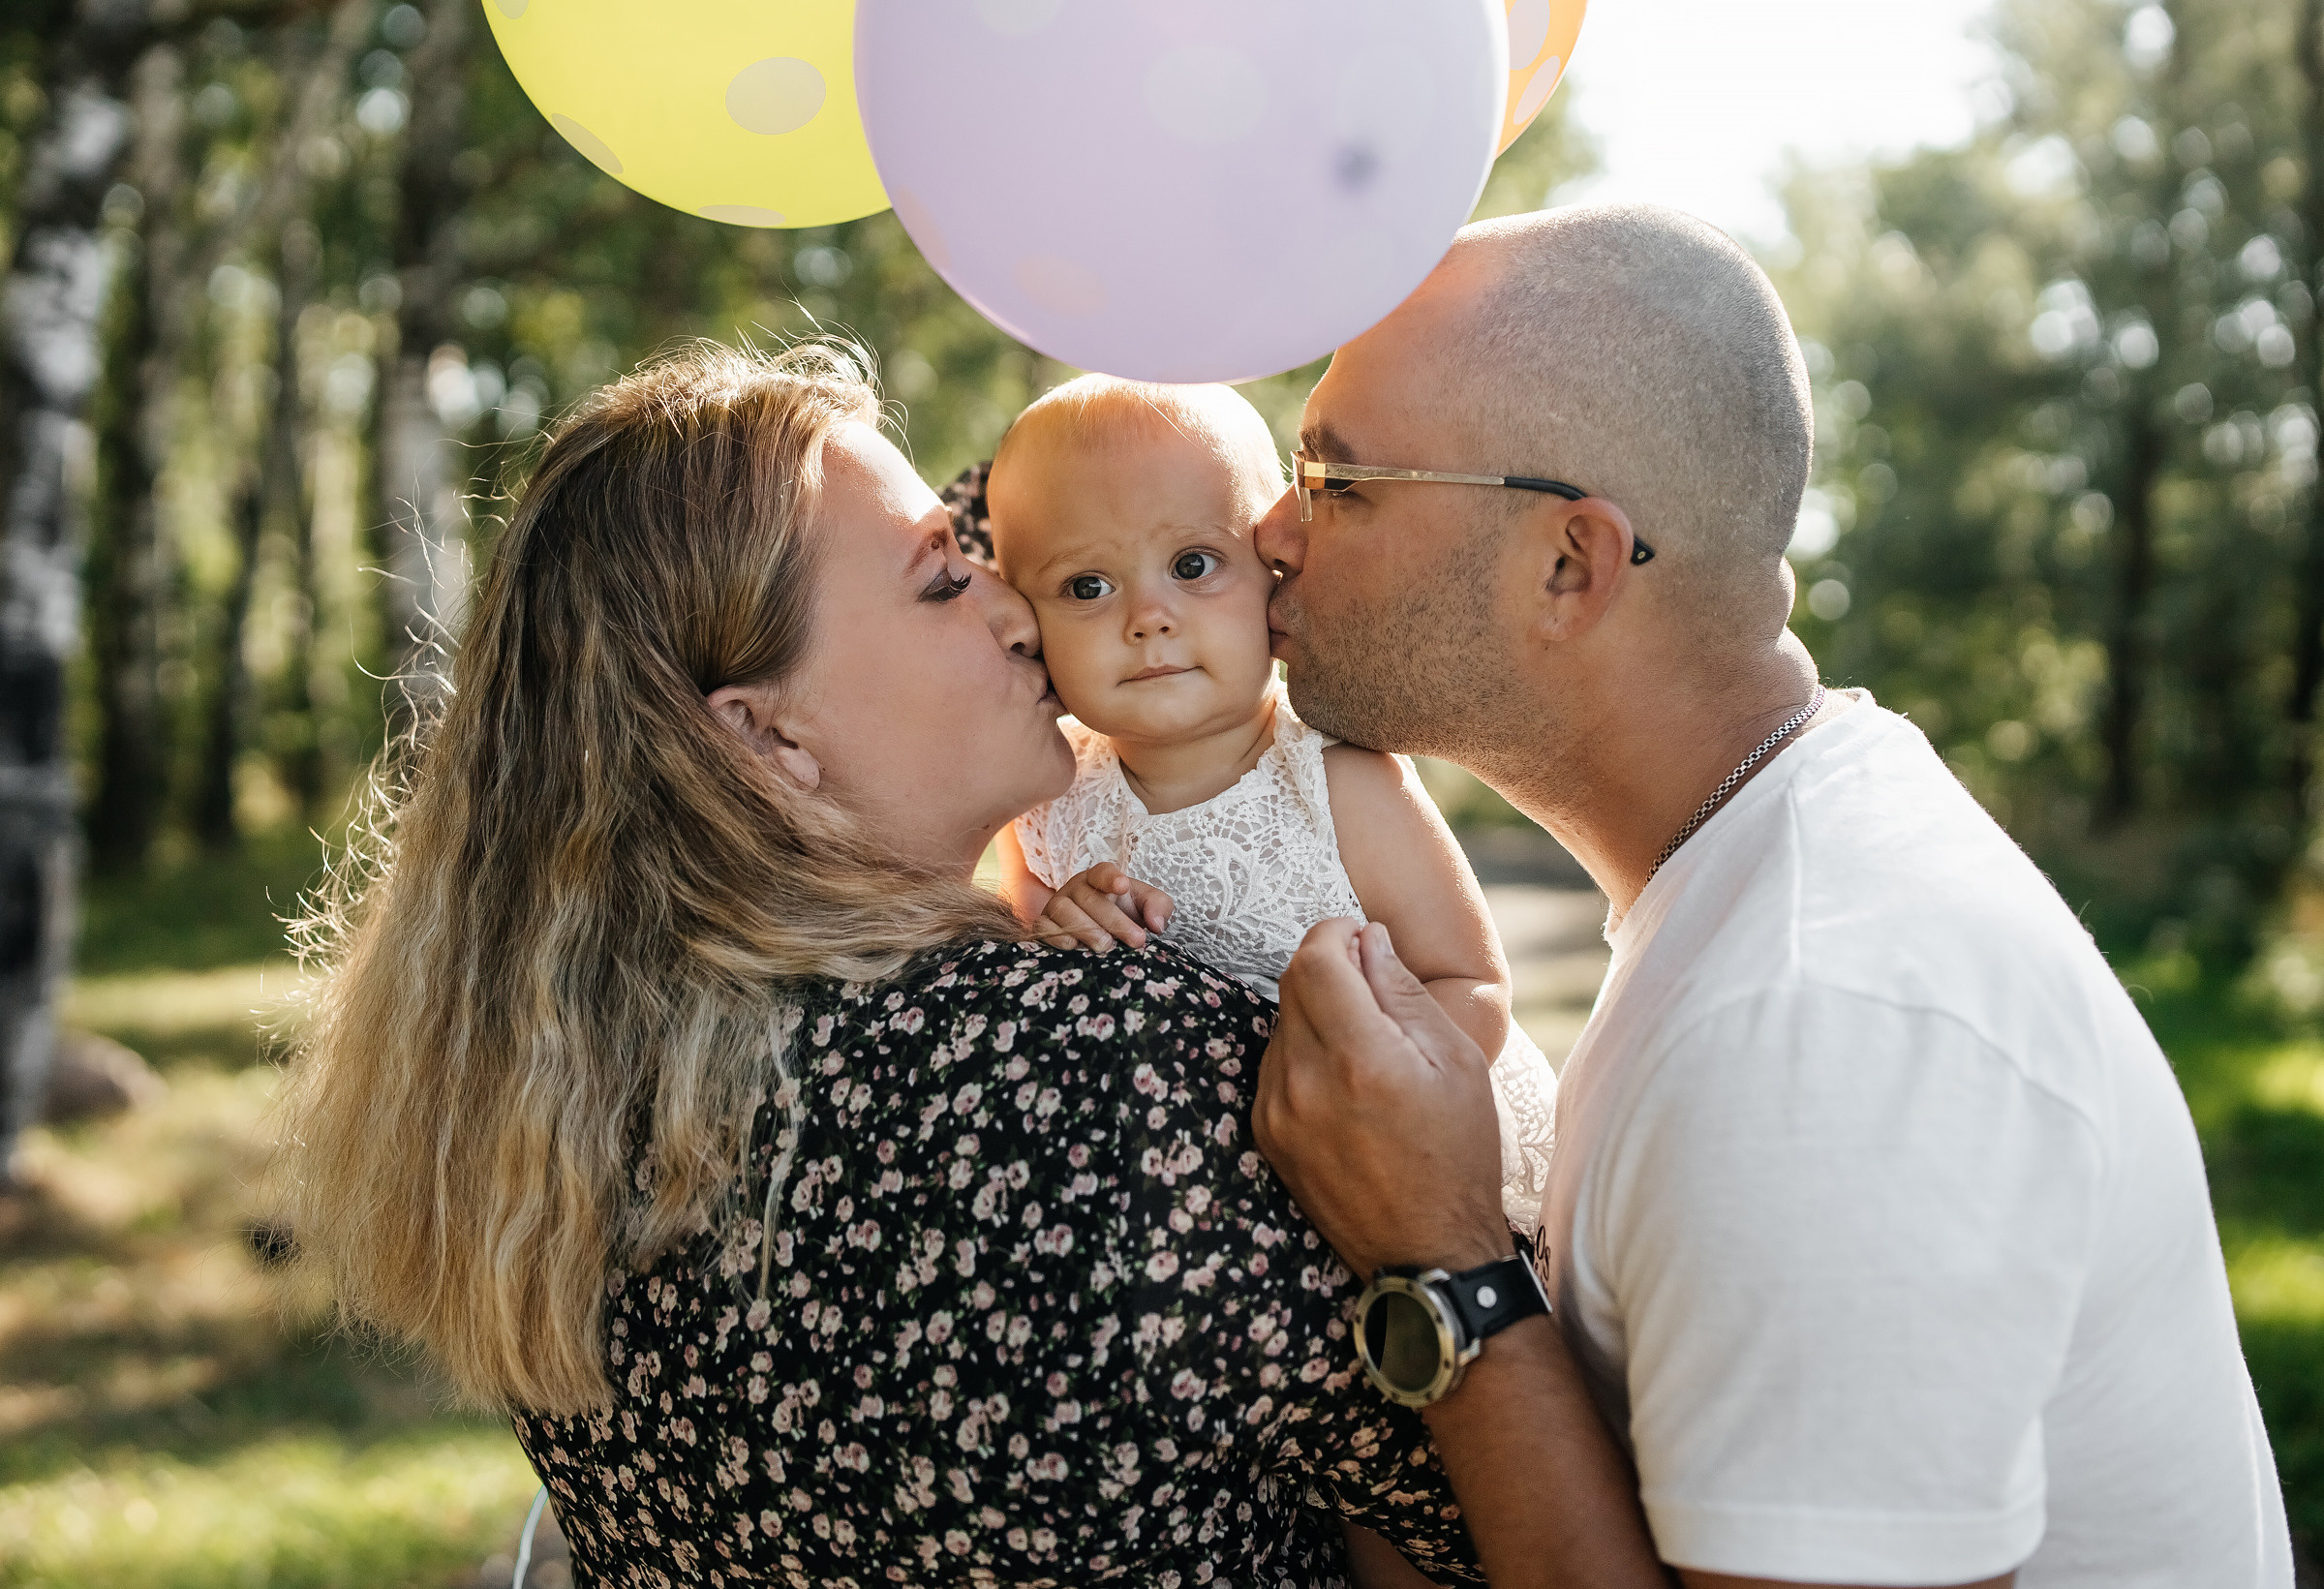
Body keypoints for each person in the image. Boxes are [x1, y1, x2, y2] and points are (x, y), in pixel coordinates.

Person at [267, 342, 1665, 1588]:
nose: (1015, 610)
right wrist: (1454, 1269)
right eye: (946, 577)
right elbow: (1523, 1532)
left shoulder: (556, 1136)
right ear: (768, 737)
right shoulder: (1115, 1077)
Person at [1251, 202, 2297, 1589]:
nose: (1267, 530)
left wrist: (1441, 1267)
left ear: (1569, 563)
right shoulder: (1761, 884)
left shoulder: (1821, 1022)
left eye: (1336, 480)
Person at [977, 373, 1561, 1238]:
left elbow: (1471, 980)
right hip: (1202, 1203)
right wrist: (1061, 918)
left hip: (1409, 1176)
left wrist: (1377, 1105)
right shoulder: (1045, 800)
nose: (1148, 617)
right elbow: (1030, 948)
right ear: (1026, 617)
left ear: (1272, 575)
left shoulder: (1336, 778)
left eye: (1192, 565)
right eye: (1087, 586)